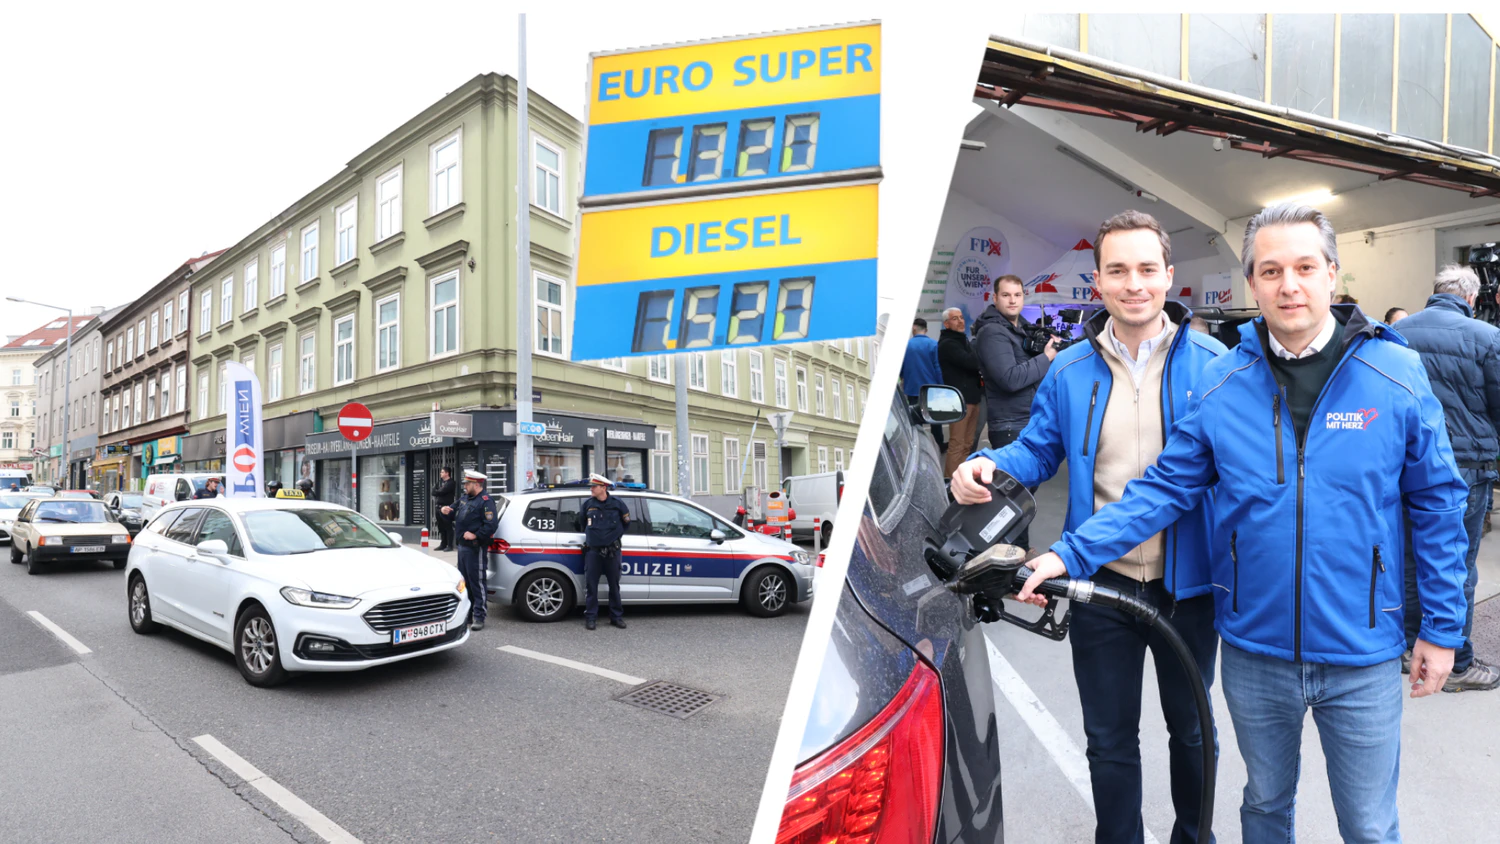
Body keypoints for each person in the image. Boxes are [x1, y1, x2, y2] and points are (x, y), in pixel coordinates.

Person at [1011, 203, 1468, 843]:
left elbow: (1439, 504)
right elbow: (1167, 486)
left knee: (1368, 825)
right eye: (1271, 270)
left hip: (1363, 652)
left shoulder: (1393, 373)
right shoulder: (1225, 380)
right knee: (1263, 810)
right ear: (1252, 283)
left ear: (1332, 273)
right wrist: (1069, 555)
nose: (1290, 285)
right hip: (1256, 650)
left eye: (1305, 267)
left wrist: (1443, 630)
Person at [954, 210, 1227, 844]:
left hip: (1189, 588)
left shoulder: (1216, 364)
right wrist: (987, 462)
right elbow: (1038, 450)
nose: (1134, 283)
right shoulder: (1071, 367)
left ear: (1169, 277)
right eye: (1118, 270)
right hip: (1098, 584)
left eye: (1147, 269)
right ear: (1098, 282)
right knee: (1108, 739)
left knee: (1192, 730)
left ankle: (1195, 837)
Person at [1389, 264, 1500, 691]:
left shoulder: (1399, 332)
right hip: (1465, 466)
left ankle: (1408, 647)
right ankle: (1457, 662)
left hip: (1406, 465)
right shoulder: (1487, 337)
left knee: (1410, 561)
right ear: (1471, 298)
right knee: (1457, 565)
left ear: (1436, 292)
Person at [972, 273, 1062, 550]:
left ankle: (1014, 552)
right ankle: (1010, 555)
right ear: (995, 297)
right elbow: (1010, 378)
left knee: (1017, 499)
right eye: (1006, 295)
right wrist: (1046, 357)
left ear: (1024, 297)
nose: (1013, 300)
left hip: (1027, 419)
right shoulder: (991, 333)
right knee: (1010, 500)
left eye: (1018, 295)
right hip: (1010, 423)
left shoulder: (1021, 329)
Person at [581, 473, 631, 631]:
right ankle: (591, 618)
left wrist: (613, 538)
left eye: (594, 487)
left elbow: (626, 523)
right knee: (591, 586)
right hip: (593, 552)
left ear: (603, 488)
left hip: (612, 552)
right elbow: (582, 523)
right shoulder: (588, 504)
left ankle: (616, 617)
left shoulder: (617, 504)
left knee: (614, 586)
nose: (591, 489)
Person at [937, 307, 983, 476]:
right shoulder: (948, 344)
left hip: (971, 397)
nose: (961, 321)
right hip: (958, 400)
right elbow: (972, 362)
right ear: (946, 324)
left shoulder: (962, 340)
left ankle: (962, 478)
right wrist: (980, 342)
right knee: (957, 444)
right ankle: (950, 482)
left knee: (967, 444)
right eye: (955, 318)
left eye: (961, 317)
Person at [452, 469, 497, 631]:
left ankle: (479, 616)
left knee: (477, 583)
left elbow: (491, 525)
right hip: (462, 547)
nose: (465, 486)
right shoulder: (465, 498)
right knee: (466, 584)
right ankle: (468, 614)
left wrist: (476, 535)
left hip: (475, 549)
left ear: (476, 485)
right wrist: (446, 511)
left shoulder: (485, 501)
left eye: (467, 483)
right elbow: (453, 511)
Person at [900, 317, 946, 450]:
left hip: (913, 387)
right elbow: (938, 368)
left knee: (916, 419)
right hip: (931, 388)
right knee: (935, 418)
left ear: (913, 328)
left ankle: (919, 448)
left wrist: (905, 379)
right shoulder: (933, 344)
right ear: (926, 329)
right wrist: (941, 386)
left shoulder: (906, 345)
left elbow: (901, 368)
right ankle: (938, 445)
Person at [432, 467, 457, 552]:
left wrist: (437, 491)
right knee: (441, 527)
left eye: (442, 472)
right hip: (438, 507)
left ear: (447, 473)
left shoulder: (451, 483)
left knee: (448, 527)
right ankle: (443, 544)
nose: (440, 473)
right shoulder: (440, 482)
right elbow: (433, 491)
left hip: (446, 507)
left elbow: (440, 492)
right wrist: (437, 491)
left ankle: (450, 545)